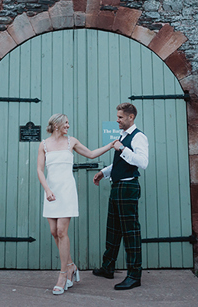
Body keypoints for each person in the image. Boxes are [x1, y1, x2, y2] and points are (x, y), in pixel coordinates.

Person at [36, 113, 115, 295]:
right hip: (51, 191)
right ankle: (71, 265)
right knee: (54, 232)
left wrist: (110, 145)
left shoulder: (71, 142)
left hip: (66, 191)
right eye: (66, 123)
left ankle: (63, 275)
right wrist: (47, 189)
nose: (68, 126)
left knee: (62, 232)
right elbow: (40, 170)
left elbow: (91, 154)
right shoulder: (44, 144)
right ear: (56, 125)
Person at [92, 102, 149, 291]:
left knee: (130, 232)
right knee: (113, 229)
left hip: (128, 188)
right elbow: (121, 163)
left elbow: (142, 162)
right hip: (117, 186)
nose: (117, 120)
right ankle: (108, 267)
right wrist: (104, 172)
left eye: (120, 117)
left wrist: (122, 149)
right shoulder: (122, 136)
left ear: (130, 117)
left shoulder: (138, 137)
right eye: (117, 117)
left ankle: (134, 276)